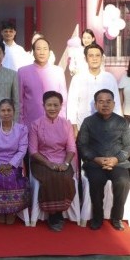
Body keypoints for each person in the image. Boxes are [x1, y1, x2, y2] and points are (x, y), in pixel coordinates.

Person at [77, 89, 130, 231]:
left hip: (118, 163)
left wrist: (116, 159)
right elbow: (82, 145)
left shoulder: (122, 122)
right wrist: (96, 159)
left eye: (108, 102)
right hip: (95, 163)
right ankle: (97, 217)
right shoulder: (88, 122)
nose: (105, 105)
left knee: (123, 181)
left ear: (114, 104)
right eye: (101, 102)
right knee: (96, 181)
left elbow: (128, 146)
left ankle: (117, 217)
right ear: (95, 105)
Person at [28, 91, 77, 232]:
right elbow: (33, 151)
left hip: (62, 161)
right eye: (49, 105)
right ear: (43, 106)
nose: (52, 108)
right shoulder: (36, 124)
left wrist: (66, 163)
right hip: (41, 161)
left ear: (61, 106)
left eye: (56, 105)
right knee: (51, 176)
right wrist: (49, 164)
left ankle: (60, 210)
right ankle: (53, 214)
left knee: (65, 177)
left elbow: (71, 148)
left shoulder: (66, 124)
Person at [0, 99, 29, 225]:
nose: (6, 113)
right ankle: (0, 210)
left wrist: (10, 165)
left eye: (9, 110)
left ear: (14, 112)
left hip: (14, 164)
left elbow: (22, 149)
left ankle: (12, 210)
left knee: (11, 177)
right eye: (3, 110)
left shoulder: (22, 129)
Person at [66, 43, 122, 135]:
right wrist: (73, 125)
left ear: (102, 58)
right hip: (82, 127)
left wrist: (118, 124)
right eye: (91, 56)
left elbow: (116, 103)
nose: (94, 58)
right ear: (85, 59)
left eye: (97, 55)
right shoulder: (77, 78)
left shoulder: (110, 78)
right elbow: (72, 103)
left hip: (107, 127)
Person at [18, 37, 66, 127]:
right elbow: (19, 101)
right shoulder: (22, 72)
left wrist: (62, 122)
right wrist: (21, 125)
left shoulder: (58, 71)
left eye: (45, 49)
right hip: (30, 124)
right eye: (38, 49)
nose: (42, 52)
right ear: (33, 52)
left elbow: (63, 100)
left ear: (49, 52)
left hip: (54, 124)